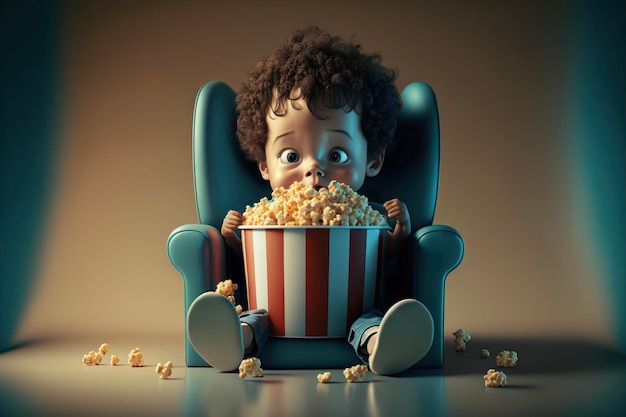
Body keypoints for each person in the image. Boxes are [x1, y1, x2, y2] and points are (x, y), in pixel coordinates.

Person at [187, 26, 433, 375]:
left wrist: (400, 230)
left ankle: (383, 345)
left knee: (369, 320)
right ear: (263, 165)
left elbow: (386, 253)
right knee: (254, 318)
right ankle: (232, 340)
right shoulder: (261, 217)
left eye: (336, 153)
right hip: (276, 311)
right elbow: (247, 254)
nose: (314, 169)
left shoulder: (367, 215)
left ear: (373, 160)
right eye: (290, 156)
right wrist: (232, 235)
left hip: (352, 306)